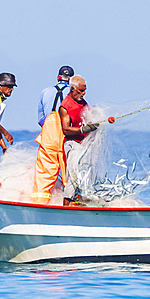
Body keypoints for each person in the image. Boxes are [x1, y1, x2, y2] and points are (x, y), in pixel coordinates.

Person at [32, 75, 97, 204]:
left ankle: (80, 203)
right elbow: (66, 129)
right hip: (70, 142)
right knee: (71, 176)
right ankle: (65, 207)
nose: (83, 94)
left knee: (81, 175)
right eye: (81, 91)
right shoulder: (65, 106)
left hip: (59, 138)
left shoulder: (81, 101)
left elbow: (41, 120)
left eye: (85, 91)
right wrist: (83, 130)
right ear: (72, 88)